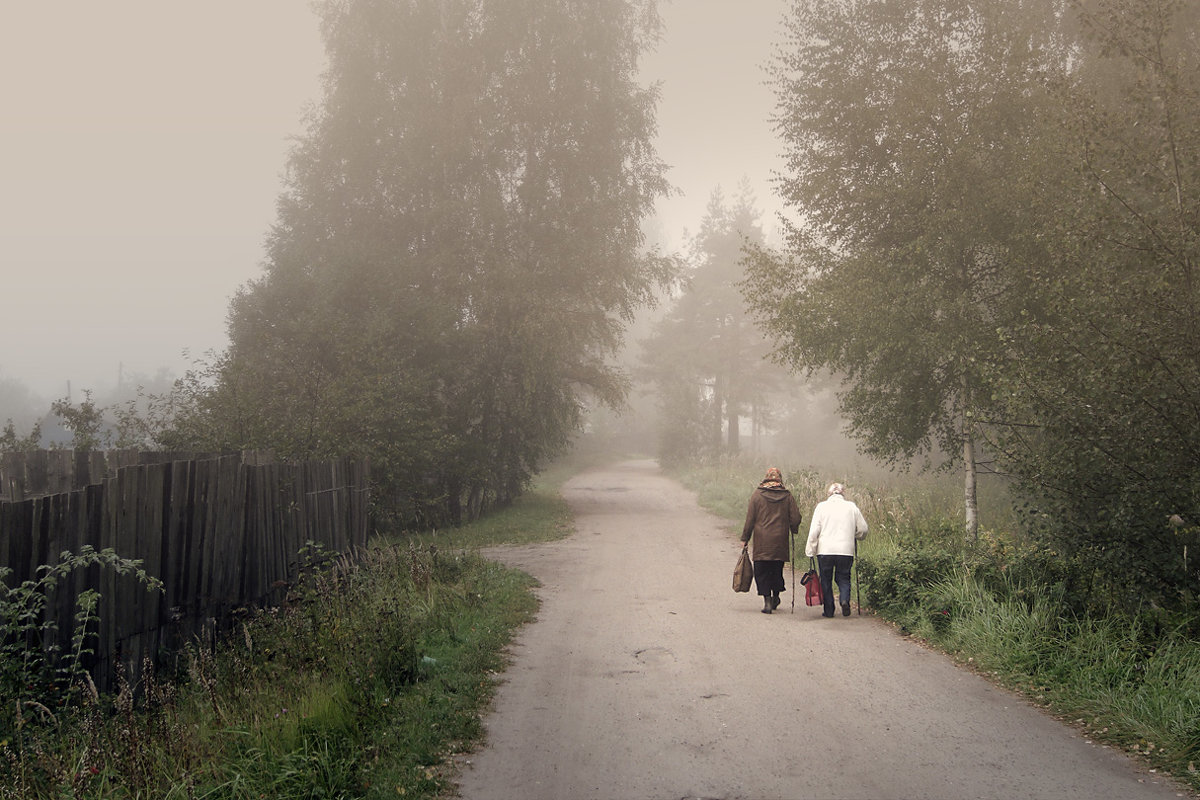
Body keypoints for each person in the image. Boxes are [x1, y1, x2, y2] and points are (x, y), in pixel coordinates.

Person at [739, 467, 803, 614]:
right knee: (776, 570)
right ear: (779, 478)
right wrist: (793, 529)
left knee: (761, 571)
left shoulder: (757, 495)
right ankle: (776, 596)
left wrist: (745, 537)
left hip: (762, 541)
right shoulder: (787, 496)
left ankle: (767, 600)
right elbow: (795, 517)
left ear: (766, 478)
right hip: (780, 541)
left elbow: (750, 519)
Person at [804, 482, 868, 618]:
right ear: (843, 493)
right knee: (844, 577)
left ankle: (829, 610)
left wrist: (810, 549)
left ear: (829, 494)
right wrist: (855, 536)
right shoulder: (852, 507)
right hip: (846, 550)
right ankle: (844, 600)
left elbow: (814, 530)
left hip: (825, 551)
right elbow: (863, 529)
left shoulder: (821, 507)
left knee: (826, 579)